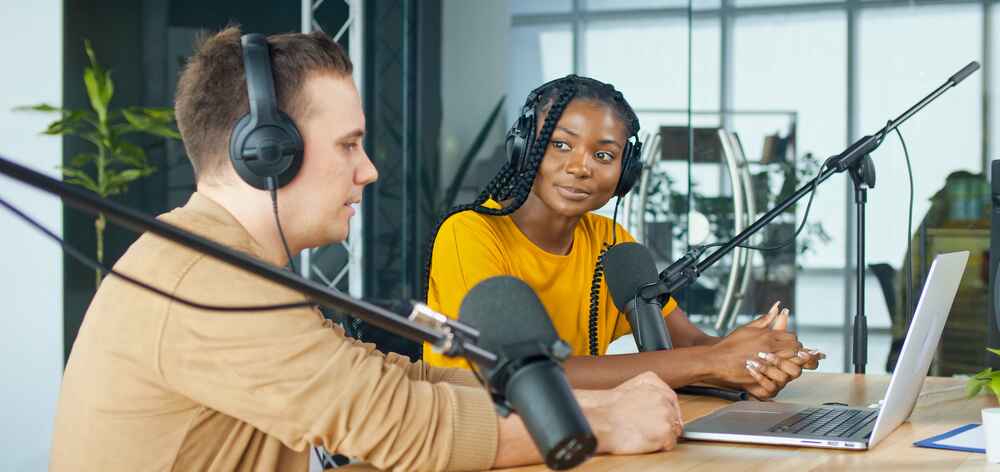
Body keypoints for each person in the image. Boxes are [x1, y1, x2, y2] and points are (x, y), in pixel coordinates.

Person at [49, 29, 684, 471]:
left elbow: (396, 380)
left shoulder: (226, 263)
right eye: (349, 145)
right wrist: (604, 425)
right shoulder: (203, 283)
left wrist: (595, 400)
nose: (369, 170)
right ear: (268, 152)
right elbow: (403, 427)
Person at [422, 75, 823, 399]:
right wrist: (718, 360)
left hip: (580, 435)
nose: (580, 168)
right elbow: (530, 373)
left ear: (625, 172)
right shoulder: (469, 234)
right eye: (560, 145)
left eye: (603, 155)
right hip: (474, 436)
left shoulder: (610, 241)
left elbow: (684, 344)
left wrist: (755, 358)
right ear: (524, 148)